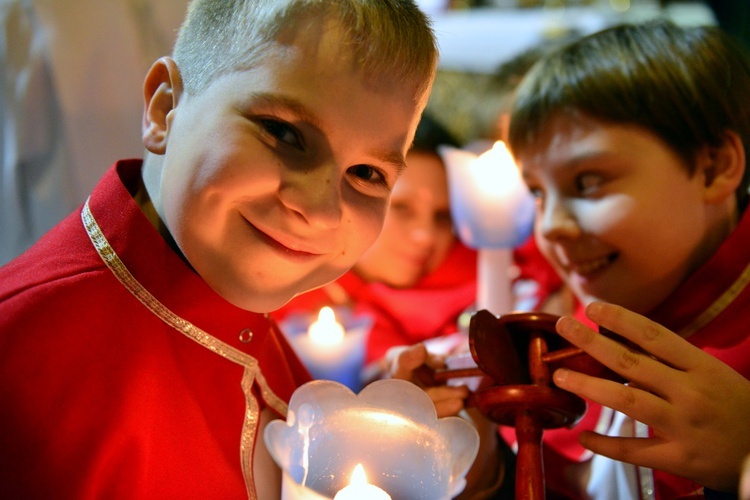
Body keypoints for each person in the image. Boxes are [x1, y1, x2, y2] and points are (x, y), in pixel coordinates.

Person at [0, 0, 438, 497]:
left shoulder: (238, 309)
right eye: (284, 133)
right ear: (163, 109)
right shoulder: (22, 359)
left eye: (367, 174)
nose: (320, 210)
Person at [395, 19, 750, 499]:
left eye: (587, 182)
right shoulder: (601, 326)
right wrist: (483, 462)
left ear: (713, 167)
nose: (550, 228)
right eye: (537, 193)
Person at [272, 113, 478, 377]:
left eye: (442, 216)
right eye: (403, 208)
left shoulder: (494, 279)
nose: (425, 235)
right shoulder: (280, 305)